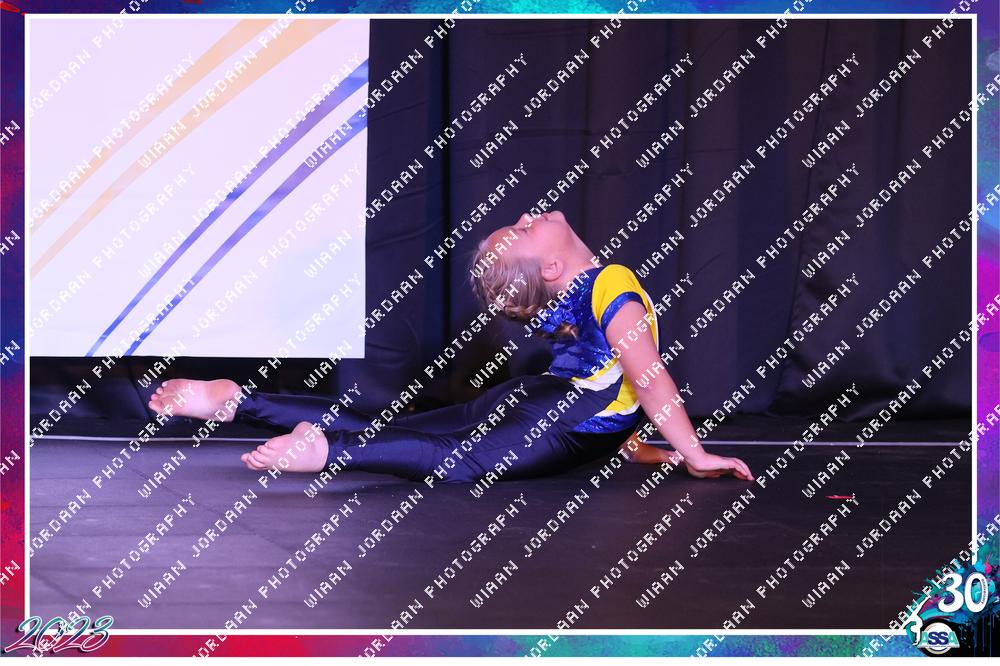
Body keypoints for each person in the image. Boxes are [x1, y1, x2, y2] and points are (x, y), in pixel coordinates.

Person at [148, 210, 753, 484]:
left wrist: (640, 449)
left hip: (538, 400)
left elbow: (608, 388)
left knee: (399, 428)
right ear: (550, 266)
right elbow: (644, 378)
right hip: (552, 412)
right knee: (459, 462)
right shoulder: (611, 281)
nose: (528, 215)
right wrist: (695, 452)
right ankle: (329, 452)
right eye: (524, 229)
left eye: (520, 224)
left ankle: (239, 401)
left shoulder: (586, 298)